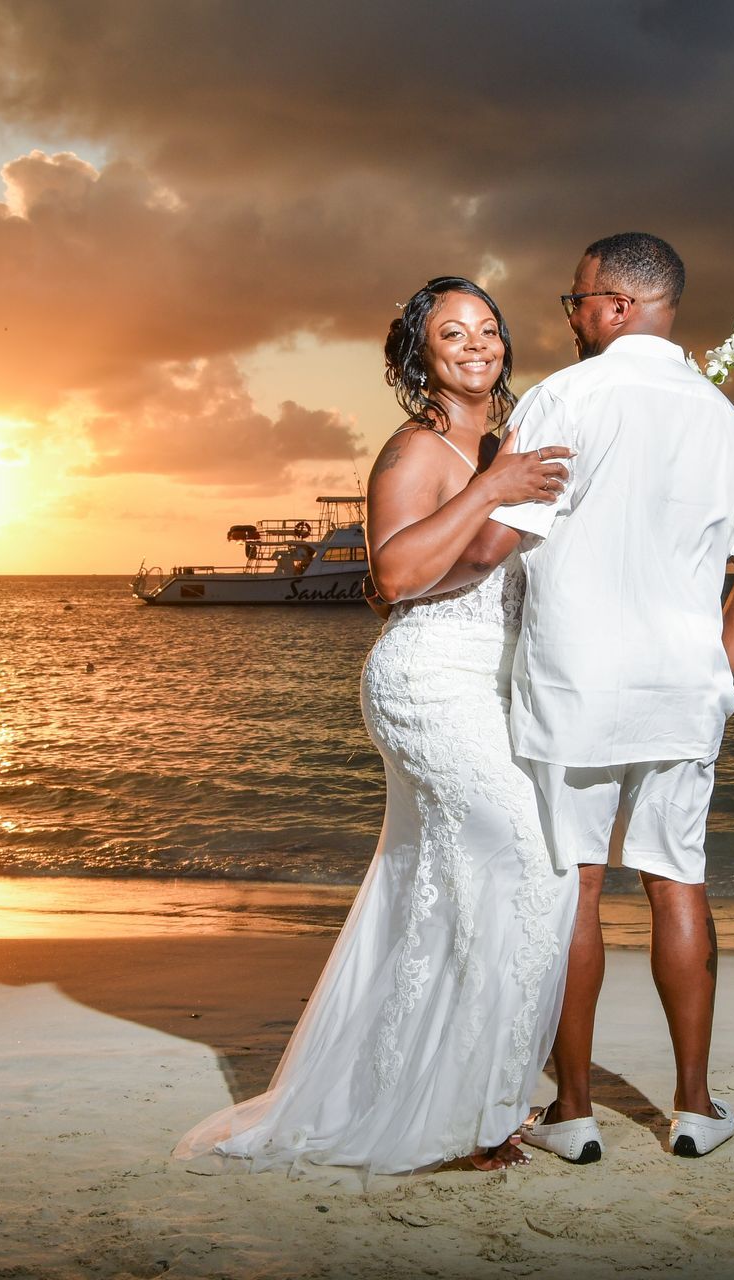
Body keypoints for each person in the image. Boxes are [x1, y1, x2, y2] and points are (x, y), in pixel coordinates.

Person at [173, 277, 578, 1176]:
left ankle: (458, 1103)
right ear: (418, 355)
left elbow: (485, 565)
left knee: (450, 888)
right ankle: (463, 1114)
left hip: (495, 684)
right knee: (531, 860)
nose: (476, 345)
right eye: (451, 333)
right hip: (427, 681)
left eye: (487, 328)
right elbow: (392, 576)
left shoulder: (510, 441)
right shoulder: (415, 448)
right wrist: (492, 488)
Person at [461, 232, 734, 1162]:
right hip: (682, 689)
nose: (569, 317)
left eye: (575, 301)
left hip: (572, 682)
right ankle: (694, 1108)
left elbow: (490, 543)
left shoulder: (564, 398)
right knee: (677, 881)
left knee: (576, 886)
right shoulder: (726, 419)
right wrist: (714, 674)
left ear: (614, 306)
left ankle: (572, 1114)